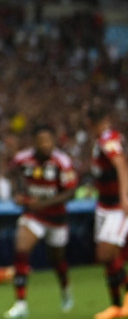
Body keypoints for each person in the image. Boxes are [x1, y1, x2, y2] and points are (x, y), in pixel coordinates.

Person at [3, 125, 77, 318]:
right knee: (21, 249)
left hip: (56, 218)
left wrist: (43, 203)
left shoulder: (62, 161)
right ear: (35, 142)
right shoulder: (23, 158)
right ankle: (21, 304)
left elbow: (71, 192)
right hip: (34, 215)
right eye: (41, 141)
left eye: (48, 141)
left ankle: (65, 288)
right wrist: (17, 194)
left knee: (57, 259)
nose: (45, 145)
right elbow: (13, 175)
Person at [89, 107, 128, 319]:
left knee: (106, 253)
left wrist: (124, 195)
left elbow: (120, 164)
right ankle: (116, 306)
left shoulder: (108, 139)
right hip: (104, 206)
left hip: (116, 208)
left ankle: (121, 303)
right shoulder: (99, 141)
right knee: (107, 257)